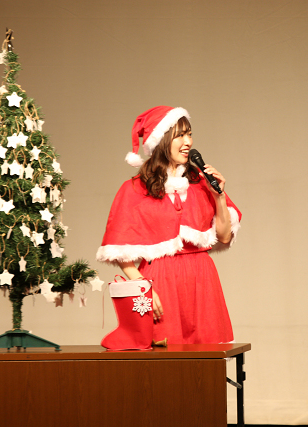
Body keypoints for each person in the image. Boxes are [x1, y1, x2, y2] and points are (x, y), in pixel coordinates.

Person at [97, 105, 241, 345]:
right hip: (160, 281)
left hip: (202, 279)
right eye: (180, 135)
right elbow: (120, 251)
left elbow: (225, 236)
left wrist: (219, 197)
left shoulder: (200, 183)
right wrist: (143, 288)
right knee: (164, 355)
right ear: (161, 141)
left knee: (206, 358)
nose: (188, 142)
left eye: (189, 134)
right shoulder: (134, 189)